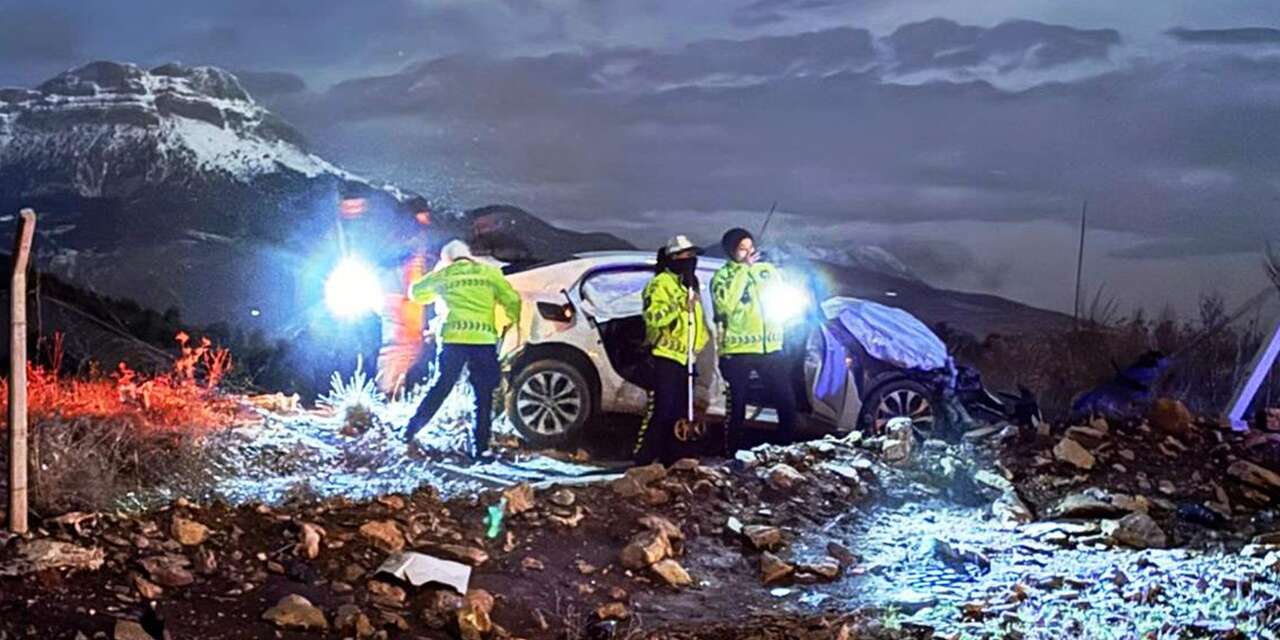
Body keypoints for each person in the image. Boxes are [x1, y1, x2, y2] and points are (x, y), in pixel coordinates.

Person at [402, 240, 522, 460]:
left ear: (447, 258)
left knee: (442, 386)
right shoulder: (489, 273)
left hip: (453, 340)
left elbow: (416, 293)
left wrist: (438, 275)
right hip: (483, 340)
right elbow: (512, 299)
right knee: (483, 394)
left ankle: (409, 431)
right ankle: (481, 448)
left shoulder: (446, 274)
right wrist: (508, 322)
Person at [710, 227, 797, 452]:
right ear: (731, 251)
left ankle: (785, 449)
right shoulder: (723, 276)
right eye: (742, 249)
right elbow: (724, 306)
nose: (748, 253)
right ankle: (732, 453)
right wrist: (742, 271)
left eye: (751, 247)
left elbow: (781, 297)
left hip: (771, 347)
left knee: (786, 400)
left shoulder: (767, 271)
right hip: (738, 350)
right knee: (737, 404)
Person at [633, 236, 709, 465]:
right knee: (662, 412)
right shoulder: (661, 283)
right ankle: (643, 459)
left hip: (686, 358)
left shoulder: (689, 284)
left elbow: (697, 322)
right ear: (674, 259)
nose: (691, 261)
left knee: (681, 413)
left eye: (693, 256)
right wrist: (678, 306)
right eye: (686, 256)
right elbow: (653, 317)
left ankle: (672, 458)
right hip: (665, 357)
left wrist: (700, 343)